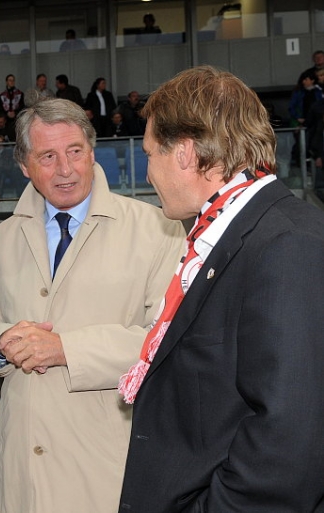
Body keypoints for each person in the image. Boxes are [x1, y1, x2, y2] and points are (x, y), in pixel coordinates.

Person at [117, 65, 324, 511]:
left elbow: (291, 438)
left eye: (149, 154)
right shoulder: (231, 233)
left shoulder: (287, 244)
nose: (147, 174)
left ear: (185, 152)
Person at [0, 98, 185, 513]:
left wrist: (65, 349)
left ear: (92, 151)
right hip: (23, 466)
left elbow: (167, 340)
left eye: (75, 151)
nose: (65, 169)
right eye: (47, 157)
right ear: (24, 165)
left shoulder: (158, 229)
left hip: (104, 463)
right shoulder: (3, 238)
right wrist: (0, 343)